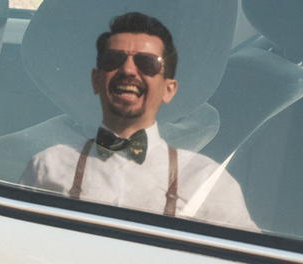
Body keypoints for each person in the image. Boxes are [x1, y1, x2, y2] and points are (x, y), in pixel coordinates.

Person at [20, 12, 257, 229]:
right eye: (114, 60)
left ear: (169, 89)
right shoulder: (46, 167)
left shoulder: (209, 184)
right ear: (96, 79)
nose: (128, 71)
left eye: (147, 63)